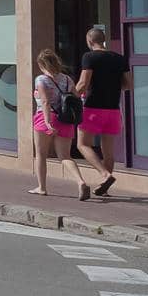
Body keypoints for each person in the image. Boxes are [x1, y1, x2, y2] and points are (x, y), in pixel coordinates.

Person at [76, 26, 132, 198]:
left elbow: (84, 83)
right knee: (108, 151)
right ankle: (104, 189)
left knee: (82, 144)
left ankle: (105, 175)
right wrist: (112, 87)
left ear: (90, 41)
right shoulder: (119, 58)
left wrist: (72, 94)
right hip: (113, 109)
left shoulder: (89, 57)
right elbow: (128, 85)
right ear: (103, 39)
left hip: (93, 107)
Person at [30, 48, 91, 201]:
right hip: (65, 120)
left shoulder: (41, 80)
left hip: (46, 118)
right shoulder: (67, 79)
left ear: (41, 64)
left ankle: (42, 187)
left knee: (41, 155)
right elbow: (76, 97)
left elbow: (45, 102)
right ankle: (80, 181)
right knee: (65, 156)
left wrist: (47, 121)